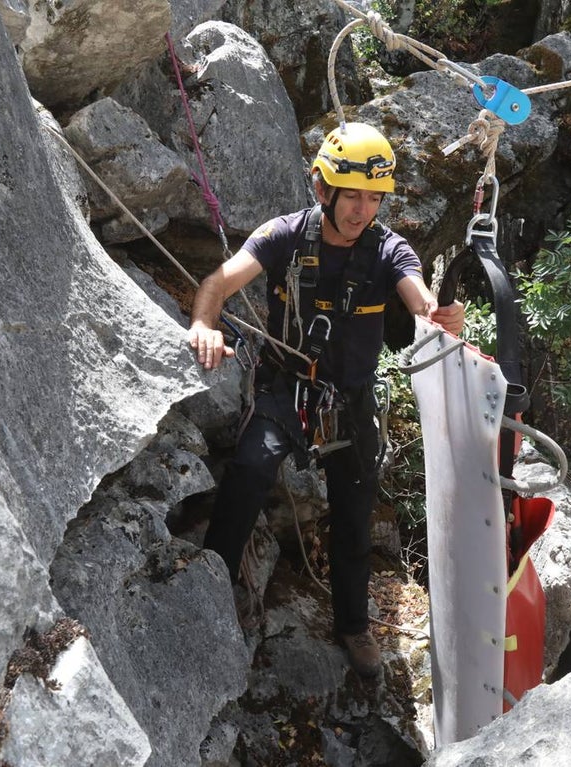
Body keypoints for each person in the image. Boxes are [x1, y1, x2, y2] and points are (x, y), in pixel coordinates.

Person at [187, 122, 464, 678]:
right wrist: (204, 323)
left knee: (355, 514)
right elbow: (217, 283)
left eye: (373, 199)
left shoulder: (390, 251)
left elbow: (417, 296)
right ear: (322, 189)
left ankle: (353, 625)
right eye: (352, 196)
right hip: (287, 385)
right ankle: (211, 587)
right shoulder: (285, 235)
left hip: (352, 400)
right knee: (249, 468)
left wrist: (435, 317)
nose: (362, 211)